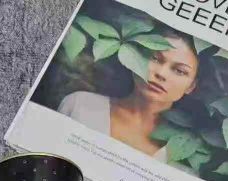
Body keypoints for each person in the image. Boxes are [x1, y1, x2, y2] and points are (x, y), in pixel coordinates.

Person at [58, 31, 199, 161]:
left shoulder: (188, 154)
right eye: (155, 58)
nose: (161, 73)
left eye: (180, 71)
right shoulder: (79, 105)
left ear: (191, 86)